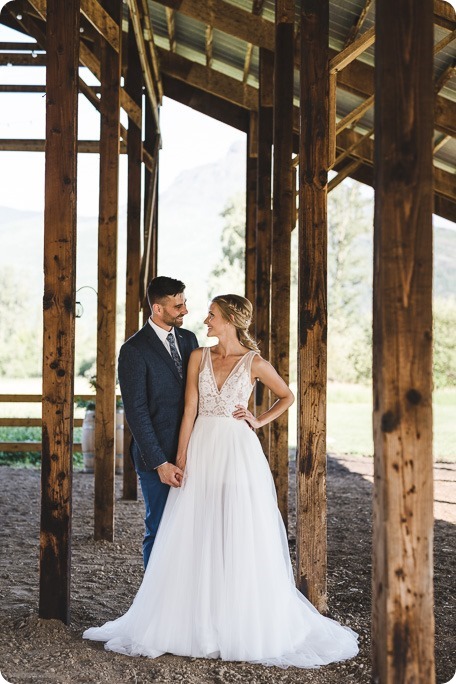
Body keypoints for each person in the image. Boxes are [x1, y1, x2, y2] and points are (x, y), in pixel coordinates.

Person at [84, 294, 358, 668]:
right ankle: (194, 618)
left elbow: (287, 396)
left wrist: (257, 420)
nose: (205, 320)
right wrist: (180, 457)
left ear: (229, 319)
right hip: (201, 446)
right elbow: (190, 409)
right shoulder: (199, 356)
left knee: (238, 527)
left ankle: (236, 618)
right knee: (195, 529)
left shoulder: (254, 362)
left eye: (211, 315)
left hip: (237, 451)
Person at [117, 276, 198, 568]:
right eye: (178, 306)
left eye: (185, 303)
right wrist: (160, 463)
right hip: (157, 458)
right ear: (157, 309)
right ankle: (153, 601)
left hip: (193, 452)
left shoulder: (189, 340)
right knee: (160, 528)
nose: (185, 311)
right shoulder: (133, 351)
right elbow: (136, 413)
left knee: (191, 530)